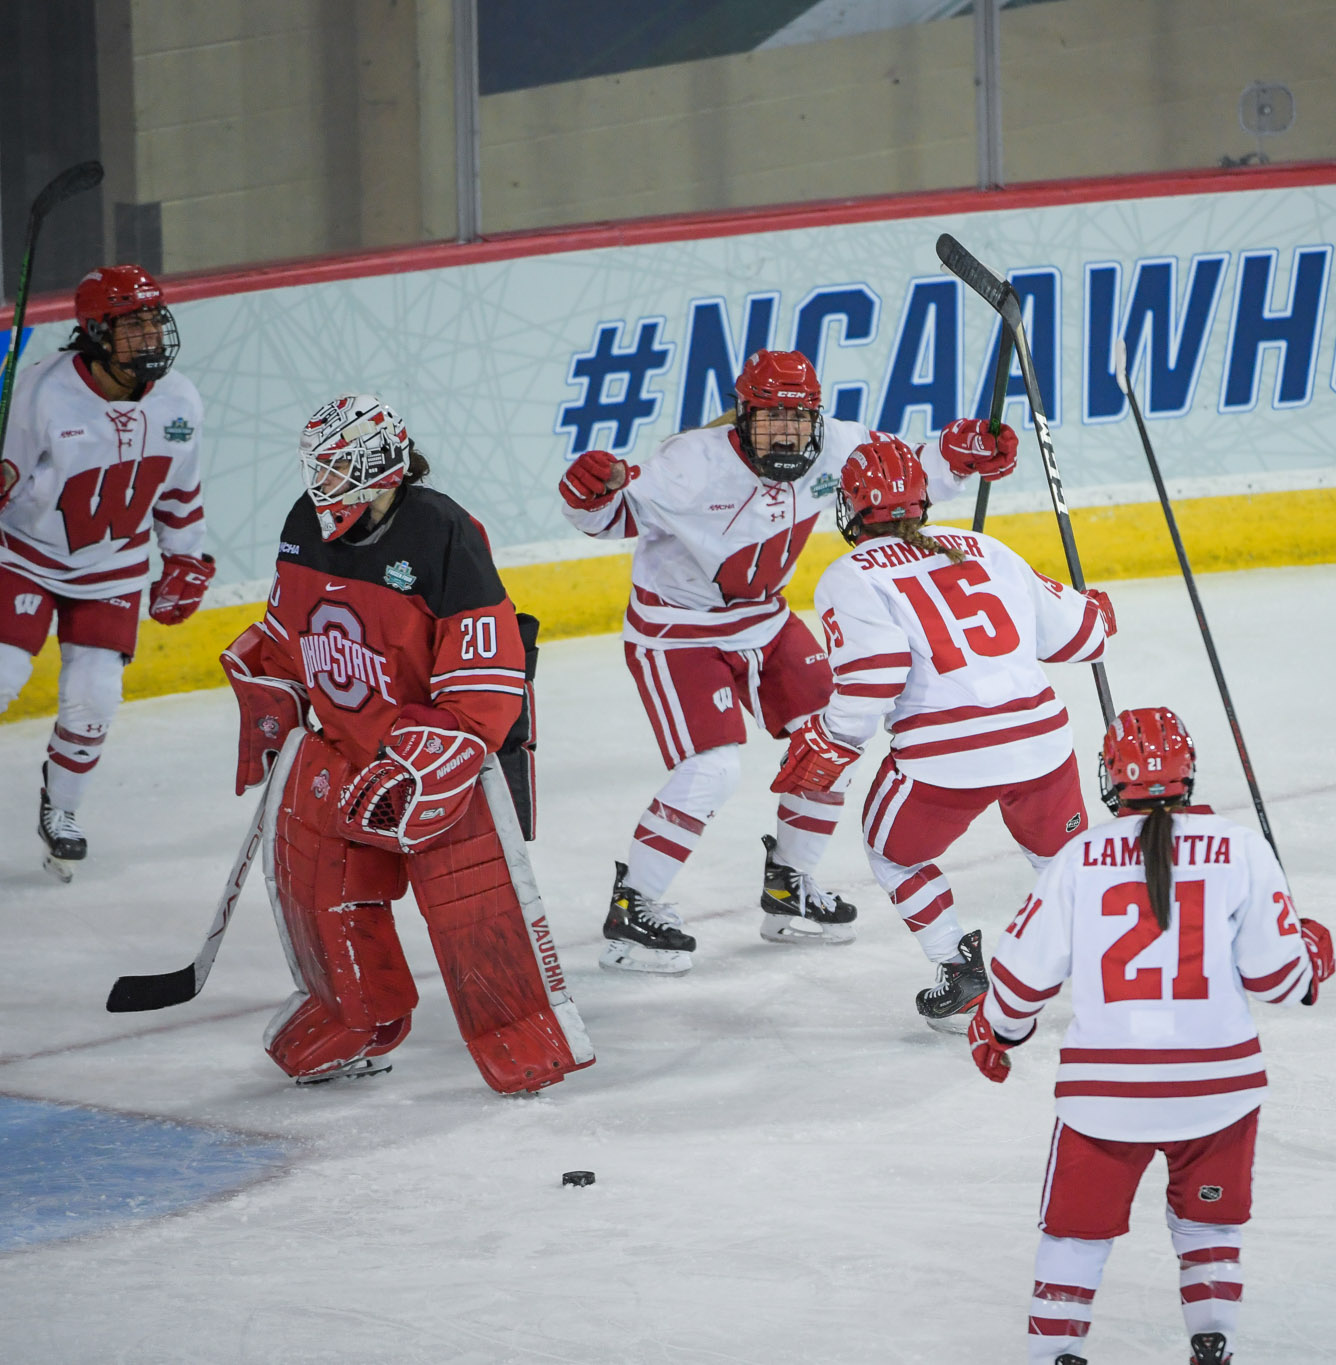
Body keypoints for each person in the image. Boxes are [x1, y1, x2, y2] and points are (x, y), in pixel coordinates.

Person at [557, 348, 1017, 973]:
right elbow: (610, 517)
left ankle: (789, 887)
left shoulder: (836, 446)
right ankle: (632, 907)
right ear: (742, 417)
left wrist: (960, 453)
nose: (786, 431)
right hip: (678, 630)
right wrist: (588, 494)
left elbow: (910, 471)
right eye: (771, 417)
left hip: (767, 618)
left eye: (798, 418)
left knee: (831, 741)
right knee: (712, 771)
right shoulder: (689, 464)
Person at [219, 393, 592, 1093]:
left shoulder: (442, 532)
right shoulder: (305, 523)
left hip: (436, 760)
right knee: (317, 887)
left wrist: (435, 758)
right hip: (345, 747)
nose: (318, 487)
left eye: (333, 471)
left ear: (379, 469)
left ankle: (517, 1029)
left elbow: (486, 672)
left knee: (472, 904)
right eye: (317, 470)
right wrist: (270, 685)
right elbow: (288, 630)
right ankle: (354, 1017)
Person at [967, 707, 1336, 1365]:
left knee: (1074, 1237)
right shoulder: (1240, 845)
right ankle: (1211, 1342)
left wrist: (998, 1032)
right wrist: (1311, 949)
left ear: (1111, 778)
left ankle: (1056, 1355)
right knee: (1209, 1223)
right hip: (1218, 1090)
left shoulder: (1078, 856)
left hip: (1104, 1098)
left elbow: (1021, 983)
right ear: (1188, 773)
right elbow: (1282, 979)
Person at [769, 434, 1114, 1030]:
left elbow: (876, 673)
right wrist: (1094, 609)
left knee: (892, 855)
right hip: (1041, 742)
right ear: (923, 502)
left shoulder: (848, 572)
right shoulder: (983, 547)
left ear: (850, 509)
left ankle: (961, 973)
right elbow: (1083, 637)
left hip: (945, 756)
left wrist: (835, 738)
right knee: (1058, 861)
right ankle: (1122, 965)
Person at [0, 265, 215, 880]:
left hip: (114, 568)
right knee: (3, 673)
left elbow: (180, 490)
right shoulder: (41, 392)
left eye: (155, 319)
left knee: (95, 698)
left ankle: (62, 809)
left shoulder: (180, 399)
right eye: (133, 323)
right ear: (95, 331)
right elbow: (7, 477)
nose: (151, 335)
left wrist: (184, 555)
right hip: (27, 556)